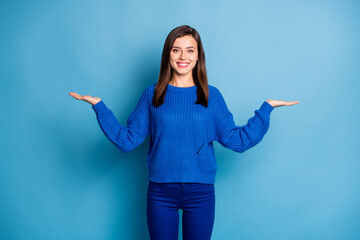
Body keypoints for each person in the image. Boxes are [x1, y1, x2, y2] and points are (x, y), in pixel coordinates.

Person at [69, 25, 299, 240]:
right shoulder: (152, 95)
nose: (183, 57)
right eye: (176, 50)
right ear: (167, 55)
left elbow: (236, 140)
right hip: (160, 193)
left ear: (198, 56)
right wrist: (99, 106)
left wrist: (266, 109)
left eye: (190, 50)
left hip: (201, 193)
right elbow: (127, 141)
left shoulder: (211, 96)